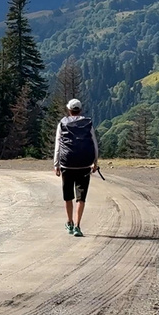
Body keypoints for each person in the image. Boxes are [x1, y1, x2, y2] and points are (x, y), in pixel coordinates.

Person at [53, 98, 99, 236]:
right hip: (84, 164)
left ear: (69, 110)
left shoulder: (62, 123)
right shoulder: (88, 123)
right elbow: (94, 143)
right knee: (81, 197)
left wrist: (56, 164)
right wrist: (95, 161)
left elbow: (57, 145)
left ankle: (70, 222)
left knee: (68, 195)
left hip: (67, 163)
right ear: (80, 109)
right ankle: (78, 226)